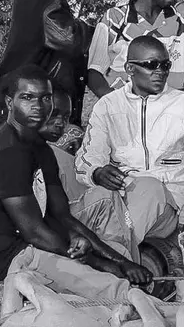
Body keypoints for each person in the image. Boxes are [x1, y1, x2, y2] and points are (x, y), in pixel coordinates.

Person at [0, 64, 147, 300]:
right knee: (112, 289)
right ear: (9, 103)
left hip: (29, 245)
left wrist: (120, 261)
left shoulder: (41, 150)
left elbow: (62, 216)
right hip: (4, 258)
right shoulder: (4, 152)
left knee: (117, 260)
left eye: (45, 98)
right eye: (27, 98)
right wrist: (100, 263)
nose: (38, 106)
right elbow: (35, 232)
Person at [75, 35, 184, 245]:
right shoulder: (108, 106)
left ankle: (114, 260)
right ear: (130, 69)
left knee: (148, 188)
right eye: (152, 65)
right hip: (119, 194)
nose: (160, 72)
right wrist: (96, 173)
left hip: (166, 201)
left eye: (165, 65)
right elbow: (88, 157)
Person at [33, 90, 137, 262]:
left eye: (65, 117)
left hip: (68, 223)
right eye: (54, 115)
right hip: (51, 234)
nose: (60, 123)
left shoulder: (49, 153)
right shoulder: (48, 155)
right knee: (106, 197)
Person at [0, 0, 91, 127]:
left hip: (18, 102)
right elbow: (71, 40)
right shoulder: (48, 2)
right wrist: (97, 30)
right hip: (42, 110)